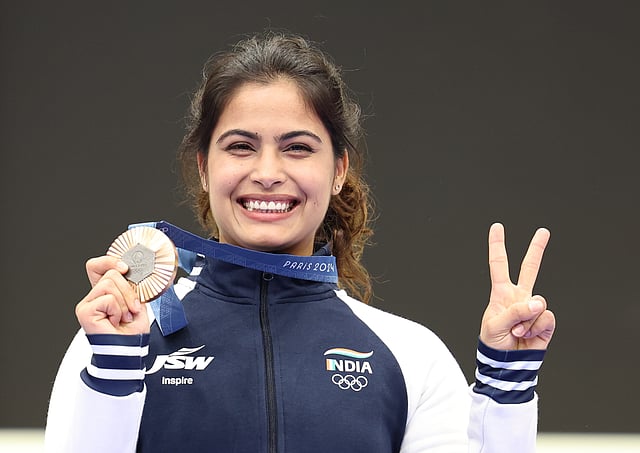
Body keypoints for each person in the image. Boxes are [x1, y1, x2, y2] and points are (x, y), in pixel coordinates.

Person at [45, 30, 556, 453]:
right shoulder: (120, 338)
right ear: (204, 168)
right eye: (240, 146)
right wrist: (114, 370)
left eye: (297, 148)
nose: (268, 172)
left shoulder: (410, 355)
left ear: (338, 171)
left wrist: (505, 384)